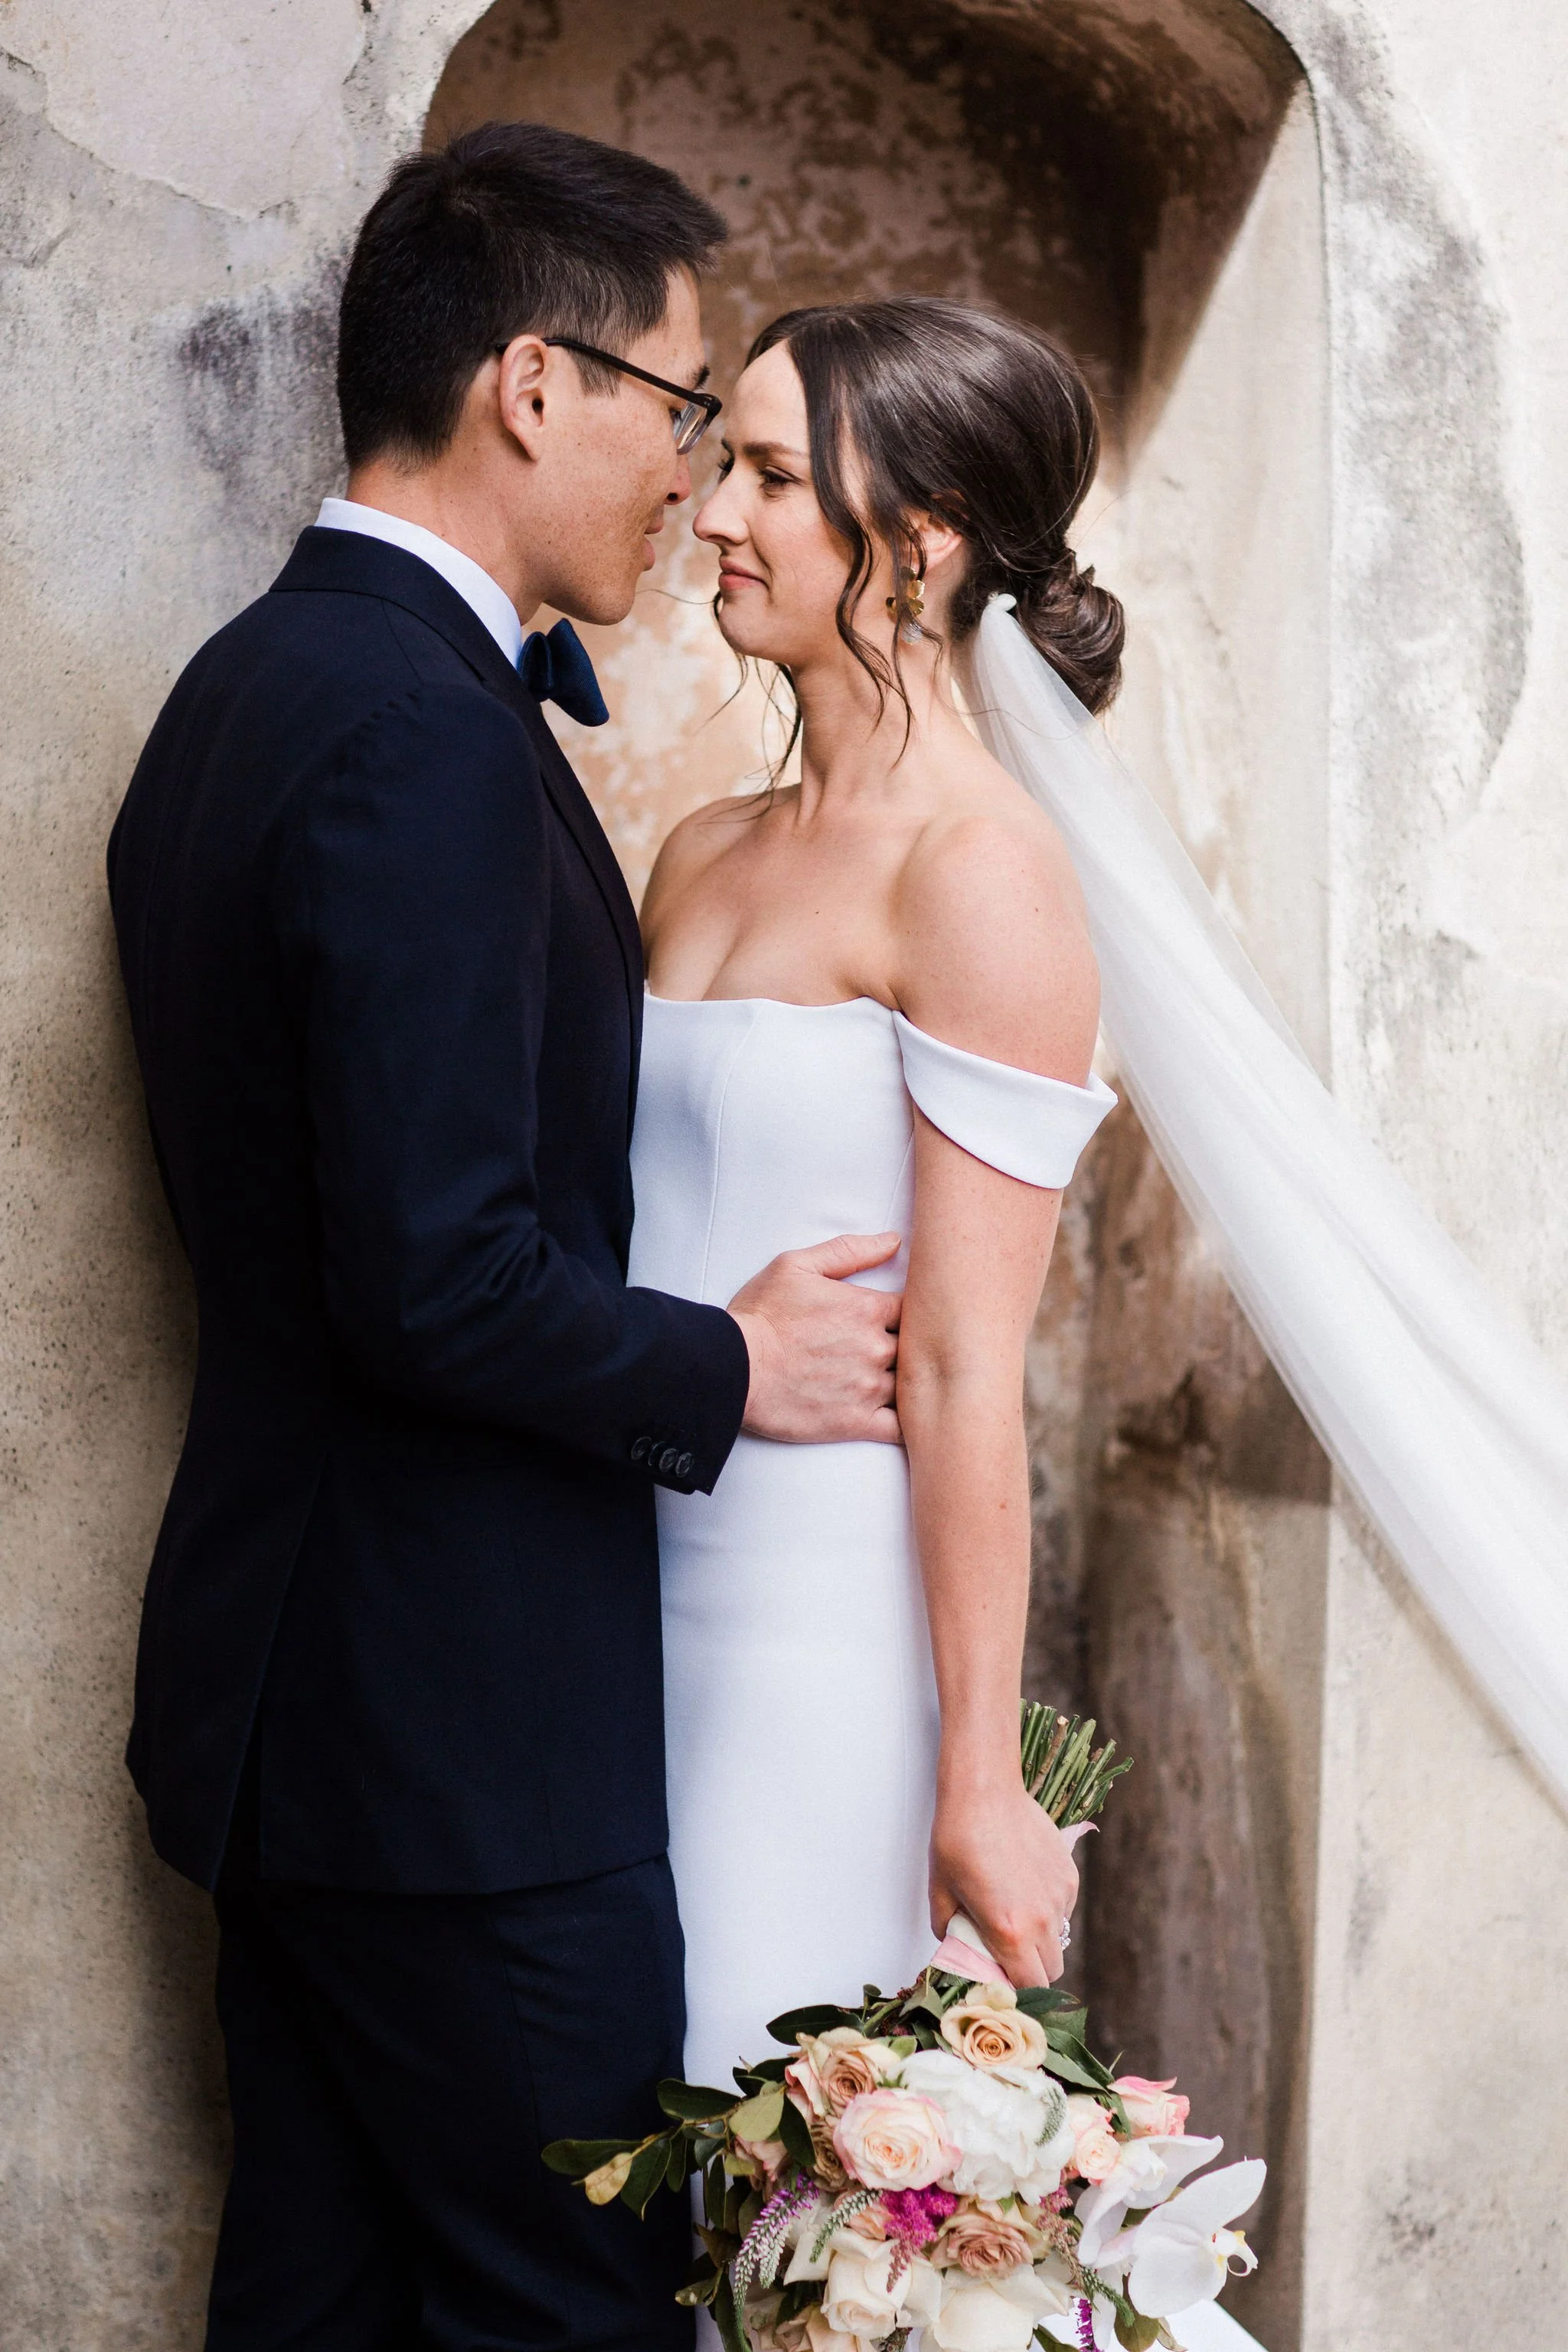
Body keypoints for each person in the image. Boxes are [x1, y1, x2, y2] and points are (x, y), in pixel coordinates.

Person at [106, 128, 903, 2351]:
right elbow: (434, 1273)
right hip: (456, 1762)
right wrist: (727, 1364)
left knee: (319, 2303)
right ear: (531, 387)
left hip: (310, 1722)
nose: (686, 475)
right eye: (677, 408)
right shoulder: (413, 735)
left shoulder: (253, 687)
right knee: (563, 2312)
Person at [632, 297, 1123, 2113]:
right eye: (721, 464)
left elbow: (967, 1373)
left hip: (813, 1631)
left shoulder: (979, 872)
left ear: (914, 542)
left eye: (769, 475)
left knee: (759, 2138)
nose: (712, 516)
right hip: (614, 1590)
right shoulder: (698, 847)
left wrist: (978, 1775)